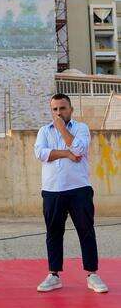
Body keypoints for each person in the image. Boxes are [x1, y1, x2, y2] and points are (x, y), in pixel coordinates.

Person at [34, 93, 108, 293]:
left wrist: (61, 129)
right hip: (52, 190)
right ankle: (54, 275)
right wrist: (66, 153)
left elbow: (79, 149)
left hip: (79, 189)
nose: (58, 112)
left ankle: (92, 274)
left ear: (71, 110)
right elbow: (40, 153)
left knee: (86, 231)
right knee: (53, 232)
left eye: (62, 108)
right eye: (55, 109)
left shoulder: (81, 128)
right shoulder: (43, 131)